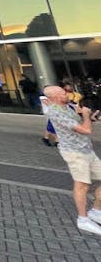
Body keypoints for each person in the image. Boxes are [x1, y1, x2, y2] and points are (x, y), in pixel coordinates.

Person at [43, 85, 101, 235]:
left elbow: (82, 122)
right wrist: (87, 116)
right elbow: (85, 130)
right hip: (75, 153)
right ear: (54, 98)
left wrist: (90, 116)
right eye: (62, 93)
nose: (67, 94)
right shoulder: (56, 112)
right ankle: (83, 219)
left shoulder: (68, 106)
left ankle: (96, 210)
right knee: (82, 185)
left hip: (86, 149)